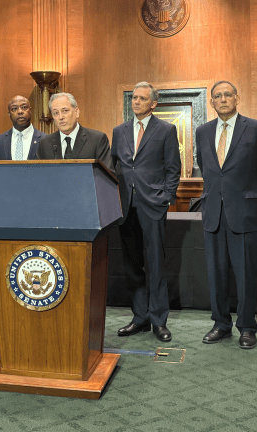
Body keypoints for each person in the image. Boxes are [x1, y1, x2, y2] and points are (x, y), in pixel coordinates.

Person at [195, 80, 257, 349]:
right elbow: (206, 167)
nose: (222, 99)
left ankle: (247, 327)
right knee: (216, 274)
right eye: (217, 96)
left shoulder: (256, 128)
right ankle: (220, 324)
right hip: (213, 214)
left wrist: (252, 196)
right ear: (212, 103)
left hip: (244, 212)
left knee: (245, 274)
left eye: (227, 95)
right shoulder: (203, 131)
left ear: (236, 98)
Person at [111, 82, 181, 342]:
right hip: (125, 205)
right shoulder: (119, 131)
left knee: (156, 265)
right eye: (134, 98)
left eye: (142, 98)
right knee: (132, 265)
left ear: (153, 103)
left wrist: (165, 198)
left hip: (153, 205)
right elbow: (114, 166)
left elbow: (174, 168)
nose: (136, 102)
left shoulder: (166, 130)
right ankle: (139, 318)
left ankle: (159, 321)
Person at [36, 93, 114, 174]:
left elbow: (107, 176)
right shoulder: (45, 143)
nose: (60, 117)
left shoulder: (97, 139)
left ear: (76, 112)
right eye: (56, 113)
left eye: (65, 111)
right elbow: (39, 175)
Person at [0, 95, 45, 161]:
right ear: (9, 114)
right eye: (14, 109)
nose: (20, 111)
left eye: (24, 107)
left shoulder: (45, 141)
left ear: (30, 111)